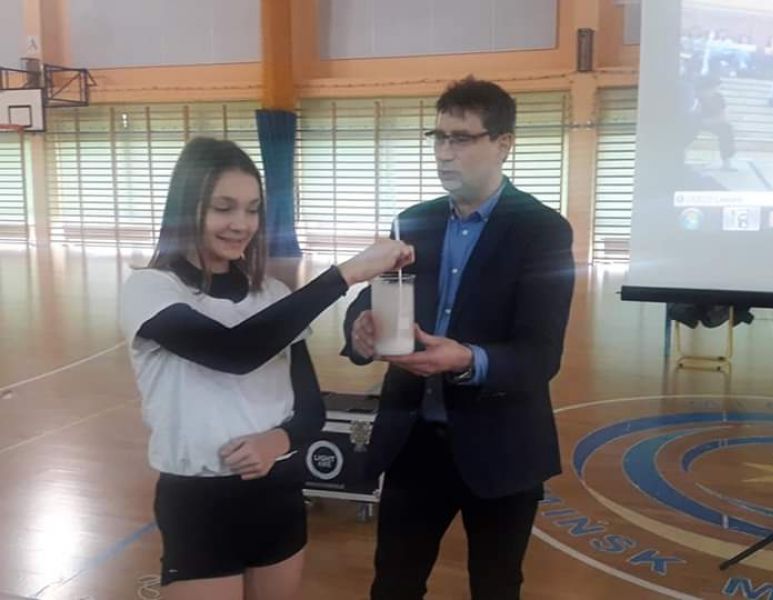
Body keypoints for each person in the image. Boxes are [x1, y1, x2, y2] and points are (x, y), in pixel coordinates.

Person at [119, 136, 413, 600]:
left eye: (253, 210)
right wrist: (346, 274)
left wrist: (277, 441)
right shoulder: (152, 290)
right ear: (187, 207)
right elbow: (234, 351)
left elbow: (311, 408)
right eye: (224, 208)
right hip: (200, 502)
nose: (241, 224)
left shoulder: (272, 295)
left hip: (278, 494)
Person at [341, 77, 575, 600]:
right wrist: (360, 328)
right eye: (439, 137)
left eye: (462, 138)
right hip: (413, 441)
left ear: (503, 144)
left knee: (495, 585)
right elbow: (371, 298)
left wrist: (466, 360)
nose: (445, 153)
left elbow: (541, 355)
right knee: (394, 583)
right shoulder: (413, 222)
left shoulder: (542, 232)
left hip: (501, 445)